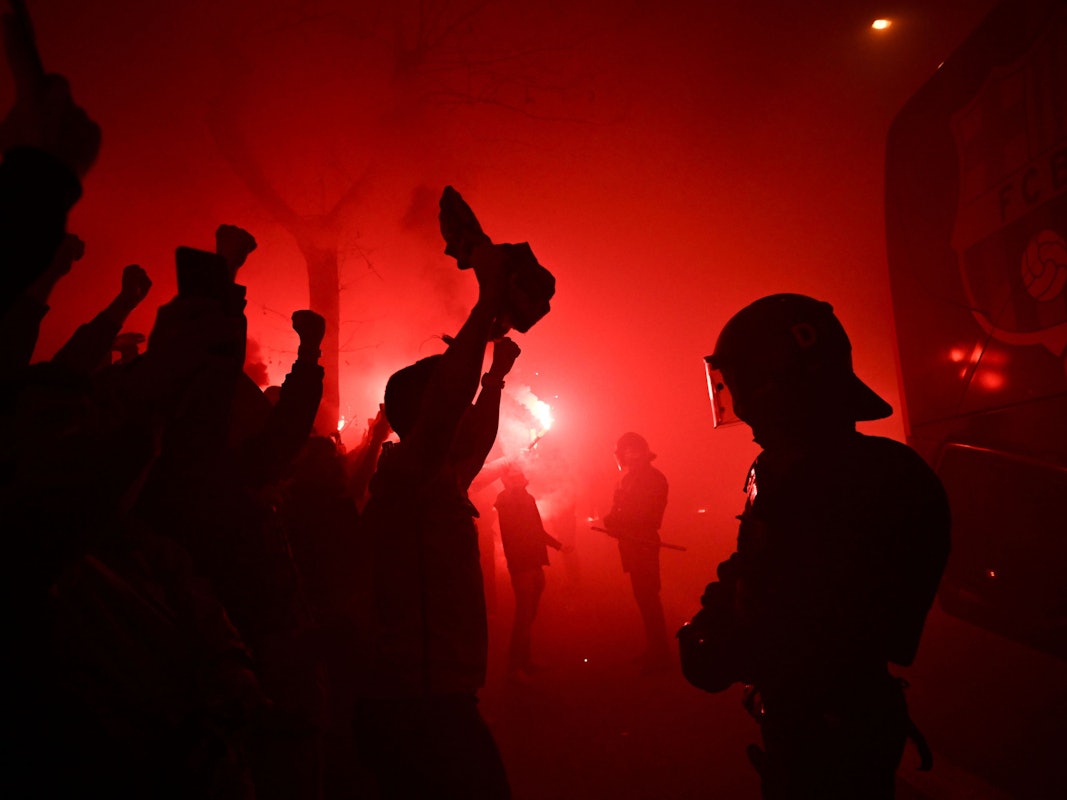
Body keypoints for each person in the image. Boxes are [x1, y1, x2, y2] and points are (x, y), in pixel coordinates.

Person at [681, 293, 950, 799]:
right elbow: (754, 565)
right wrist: (718, 611)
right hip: (824, 718)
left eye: (742, 387)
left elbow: (820, 620)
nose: (739, 407)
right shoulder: (801, 470)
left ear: (777, 389)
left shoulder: (855, 481)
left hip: (832, 727)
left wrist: (724, 645)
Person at [352, 243, 521, 800]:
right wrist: (488, 295)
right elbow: (452, 406)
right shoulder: (408, 482)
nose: (460, 399)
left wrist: (495, 378)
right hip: (414, 709)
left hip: (439, 699)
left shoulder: (439, 479)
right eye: (450, 393)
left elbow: (474, 436)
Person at [603, 431, 671, 673]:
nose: (621, 457)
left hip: (643, 545)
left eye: (625, 451)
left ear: (635, 452)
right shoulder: (628, 478)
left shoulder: (653, 479)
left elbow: (649, 517)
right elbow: (620, 508)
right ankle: (655, 650)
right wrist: (613, 520)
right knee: (644, 600)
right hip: (632, 545)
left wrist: (619, 523)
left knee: (649, 599)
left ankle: (660, 655)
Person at [494, 465, 562, 680]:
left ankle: (524, 660)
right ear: (507, 481)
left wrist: (557, 545)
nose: (519, 481)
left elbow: (536, 528)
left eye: (519, 477)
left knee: (529, 613)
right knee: (524, 615)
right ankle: (514, 666)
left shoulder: (528, 498)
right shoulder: (505, 500)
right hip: (521, 564)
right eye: (513, 478)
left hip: (534, 561)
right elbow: (517, 530)